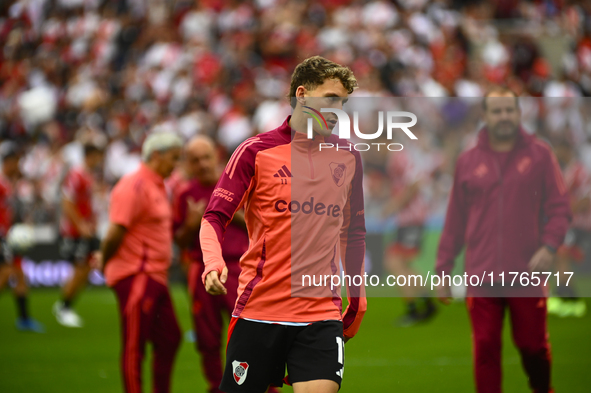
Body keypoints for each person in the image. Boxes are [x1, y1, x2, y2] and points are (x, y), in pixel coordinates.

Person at [200, 55, 367, 393]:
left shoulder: (348, 157)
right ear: (302, 95)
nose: (338, 111)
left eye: (343, 103)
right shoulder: (255, 152)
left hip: (320, 314)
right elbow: (214, 217)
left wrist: (357, 299)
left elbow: (354, 232)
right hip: (259, 310)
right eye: (331, 99)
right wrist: (213, 263)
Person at [436, 87, 571, 393]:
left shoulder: (540, 155)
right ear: (484, 116)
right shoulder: (468, 161)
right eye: (497, 111)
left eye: (509, 110)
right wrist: (443, 269)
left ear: (519, 113)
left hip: (526, 272)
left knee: (532, 346)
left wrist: (549, 246)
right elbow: (455, 221)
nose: (504, 116)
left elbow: (560, 208)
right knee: (485, 347)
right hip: (481, 273)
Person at [173, 136, 276, 393]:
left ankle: (264, 385)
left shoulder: (237, 183)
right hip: (203, 269)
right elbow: (178, 240)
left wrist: (223, 212)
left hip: (240, 268)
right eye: (195, 160)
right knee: (207, 337)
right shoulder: (185, 194)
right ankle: (216, 385)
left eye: (206, 157)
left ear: (217, 156)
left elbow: (260, 224)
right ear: (188, 164)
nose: (203, 164)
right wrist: (191, 222)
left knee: (251, 331)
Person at [97, 133, 183, 393]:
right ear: (156, 155)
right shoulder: (134, 185)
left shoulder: (156, 185)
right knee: (135, 344)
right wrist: (104, 259)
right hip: (138, 274)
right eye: (173, 158)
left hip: (155, 275)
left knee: (170, 338)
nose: (174, 165)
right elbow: (115, 232)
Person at [53, 143, 104, 328]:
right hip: (75, 232)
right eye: (98, 155)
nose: (100, 159)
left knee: (87, 268)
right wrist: (80, 224)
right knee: (81, 267)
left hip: (86, 230)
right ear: (91, 155)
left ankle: (66, 303)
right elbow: (67, 202)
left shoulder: (87, 176)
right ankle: (64, 307)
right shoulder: (76, 175)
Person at [0, 142, 45, 333]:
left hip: (8, 236)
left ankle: (24, 319)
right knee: (6, 273)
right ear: (8, 162)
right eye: (16, 161)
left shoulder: (8, 184)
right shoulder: (1, 183)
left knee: (19, 274)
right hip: (2, 236)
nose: (18, 165)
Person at [549, 138, 589, 317]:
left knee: (562, 255)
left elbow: (586, 199)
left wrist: (565, 210)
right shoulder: (568, 171)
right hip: (571, 223)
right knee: (561, 256)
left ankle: (563, 295)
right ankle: (567, 295)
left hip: (580, 224)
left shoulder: (580, 171)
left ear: (566, 150)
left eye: (558, 150)